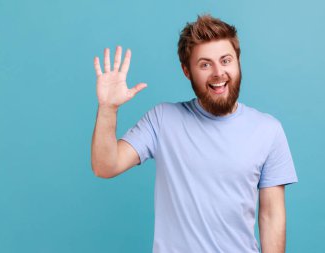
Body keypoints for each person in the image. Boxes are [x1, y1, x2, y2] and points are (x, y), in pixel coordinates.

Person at [91, 14, 298, 253]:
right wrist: (108, 109)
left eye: (226, 60)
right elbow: (105, 166)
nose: (219, 73)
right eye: (205, 64)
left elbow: (271, 216)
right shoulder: (162, 119)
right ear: (187, 71)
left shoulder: (268, 130)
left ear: (238, 61)